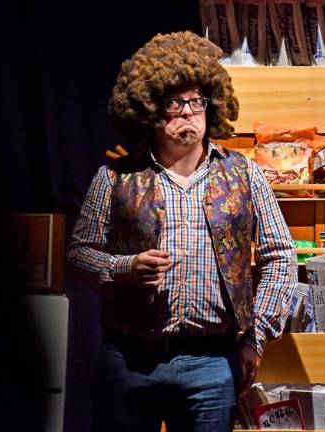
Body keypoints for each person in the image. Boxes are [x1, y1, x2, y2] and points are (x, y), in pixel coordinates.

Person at [68, 31, 297, 432]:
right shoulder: (115, 177)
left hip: (212, 363)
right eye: (174, 103)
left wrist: (255, 337)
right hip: (129, 361)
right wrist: (124, 268)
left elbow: (280, 256)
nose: (187, 112)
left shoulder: (244, 174)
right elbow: (78, 253)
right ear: (149, 110)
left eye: (196, 101)